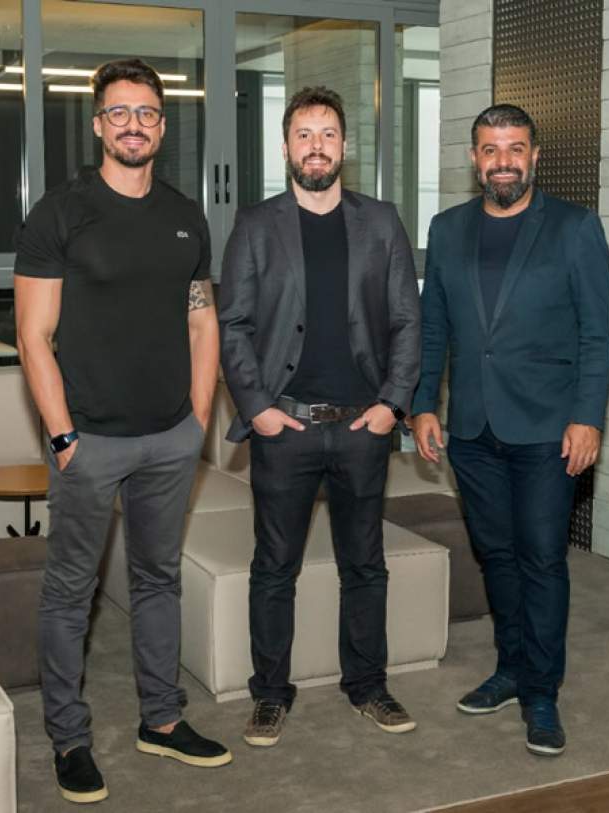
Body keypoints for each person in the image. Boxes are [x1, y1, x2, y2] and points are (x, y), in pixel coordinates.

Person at [14, 57, 229, 805]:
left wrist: (198, 417)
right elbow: (33, 336)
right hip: (90, 441)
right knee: (70, 592)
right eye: (119, 112)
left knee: (157, 579)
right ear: (98, 124)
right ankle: (69, 738)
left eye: (146, 113)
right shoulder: (60, 213)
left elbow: (202, 319)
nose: (133, 125)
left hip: (170, 435)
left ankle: (161, 719)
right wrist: (63, 436)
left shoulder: (185, 215)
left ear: (162, 127)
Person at [218, 85, 421, 749]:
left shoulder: (381, 221)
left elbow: (406, 319)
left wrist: (393, 403)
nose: (316, 145)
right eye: (304, 134)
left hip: (364, 427)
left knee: (365, 564)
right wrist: (258, 409)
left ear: (345, 146)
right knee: (275, 566)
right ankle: (270, 694)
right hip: (287, 428)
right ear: (286, 147)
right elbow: (234, 323)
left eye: (328, 133)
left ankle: (368, 684)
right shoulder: (256, 225)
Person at [410, 103, 609, 758]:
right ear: (475, 159)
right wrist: (423, 403)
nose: (504, 161)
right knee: (494, 553)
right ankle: (510, 666)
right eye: (491, 149)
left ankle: (542, 690)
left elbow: (597, 333)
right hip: (472, 426)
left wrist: (588, 418)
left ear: (534, 156)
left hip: (549, 428)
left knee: (541, 557)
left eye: (516, 148)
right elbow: (434, 326)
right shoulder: (447, 229)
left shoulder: (575, 227)